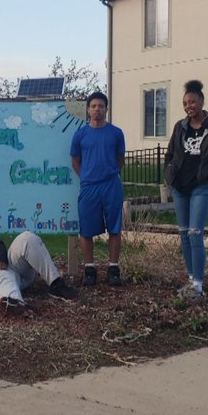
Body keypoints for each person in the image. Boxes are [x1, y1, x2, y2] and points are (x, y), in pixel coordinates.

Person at [164, 79, 208, 298]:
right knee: (184, 234)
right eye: (185, 103)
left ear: (202, 101)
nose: (188, 106)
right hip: (180, 187)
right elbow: (169, 155)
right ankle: (191, 279)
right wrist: (169, 174)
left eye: (192, 102)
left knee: (195, 233)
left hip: (201, 187)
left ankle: (198, 285)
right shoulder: (180, 126)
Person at [70, 90, 125, 287]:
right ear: (88, 110)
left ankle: (113, 268)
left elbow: (120, 159)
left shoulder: (116, 133)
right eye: (93, 106)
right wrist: (86, 176)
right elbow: (75, 160)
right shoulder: (80, 134)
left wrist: (110, 174)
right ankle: (90, 268)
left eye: (101, 106)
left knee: (114, 227)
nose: (97, 109)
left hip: (111, 185)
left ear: (106, 109)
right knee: (86, 229)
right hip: (89, 187)